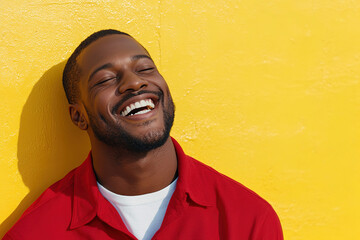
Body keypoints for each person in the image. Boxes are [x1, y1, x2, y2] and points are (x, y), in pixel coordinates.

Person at [3, 29, 283, 240]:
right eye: (105, 79)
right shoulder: (35, 232)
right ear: (79, 116)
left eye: (145, 68)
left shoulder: (247, 220)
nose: (135, 82)